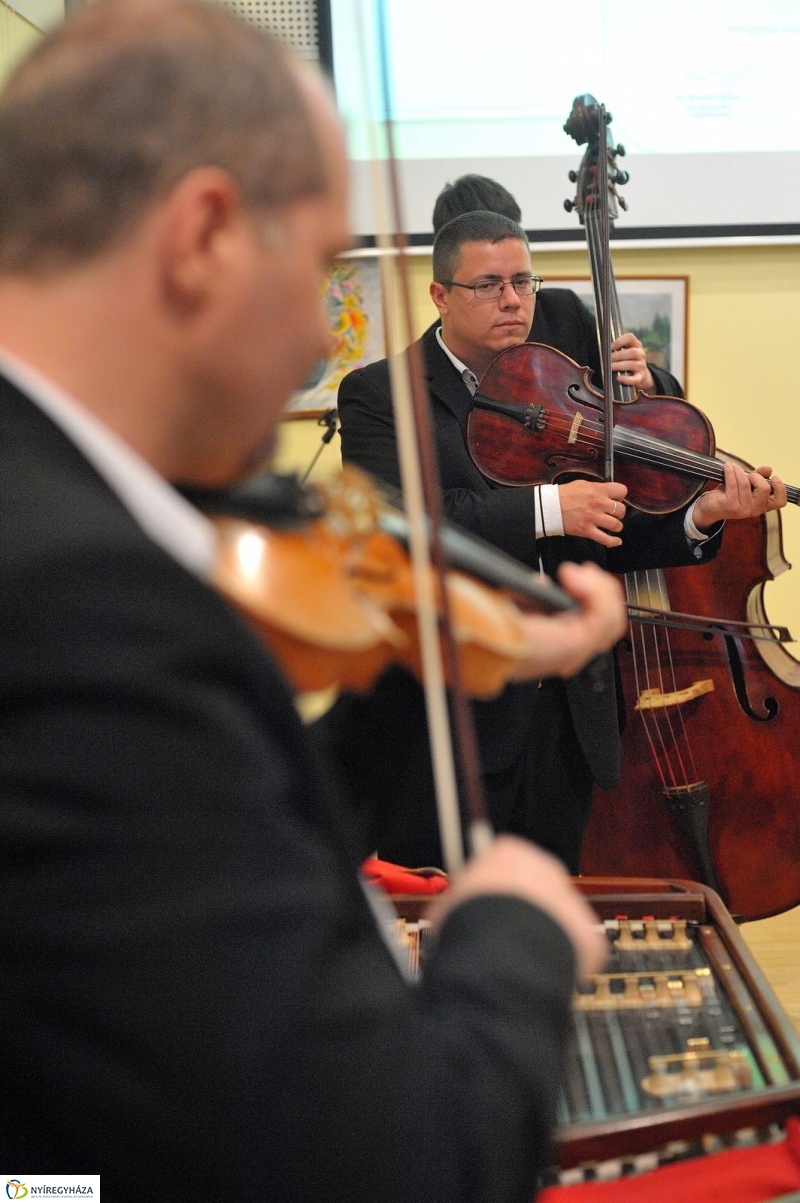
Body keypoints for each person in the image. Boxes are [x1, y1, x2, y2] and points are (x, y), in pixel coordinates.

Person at [0, 2, 629, 1199]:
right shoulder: (75, 608)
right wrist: (515, 931)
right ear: (202, 237)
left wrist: (433, 651)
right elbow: (401, 1163)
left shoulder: (73, 532)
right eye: (321, 267)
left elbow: (213, 832)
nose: (314, 329)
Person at [333, 209, 786, 874]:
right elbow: (403, 524)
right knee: (446, 920)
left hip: (569, 721)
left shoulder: (556, 384)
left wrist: (702, 514)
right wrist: (549, 507)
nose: (512, 300)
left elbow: (606, 530)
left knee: (550, 915)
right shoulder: (380, 394)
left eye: (523, 281)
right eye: (488, 285)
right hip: (451, 730)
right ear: (439, 295)